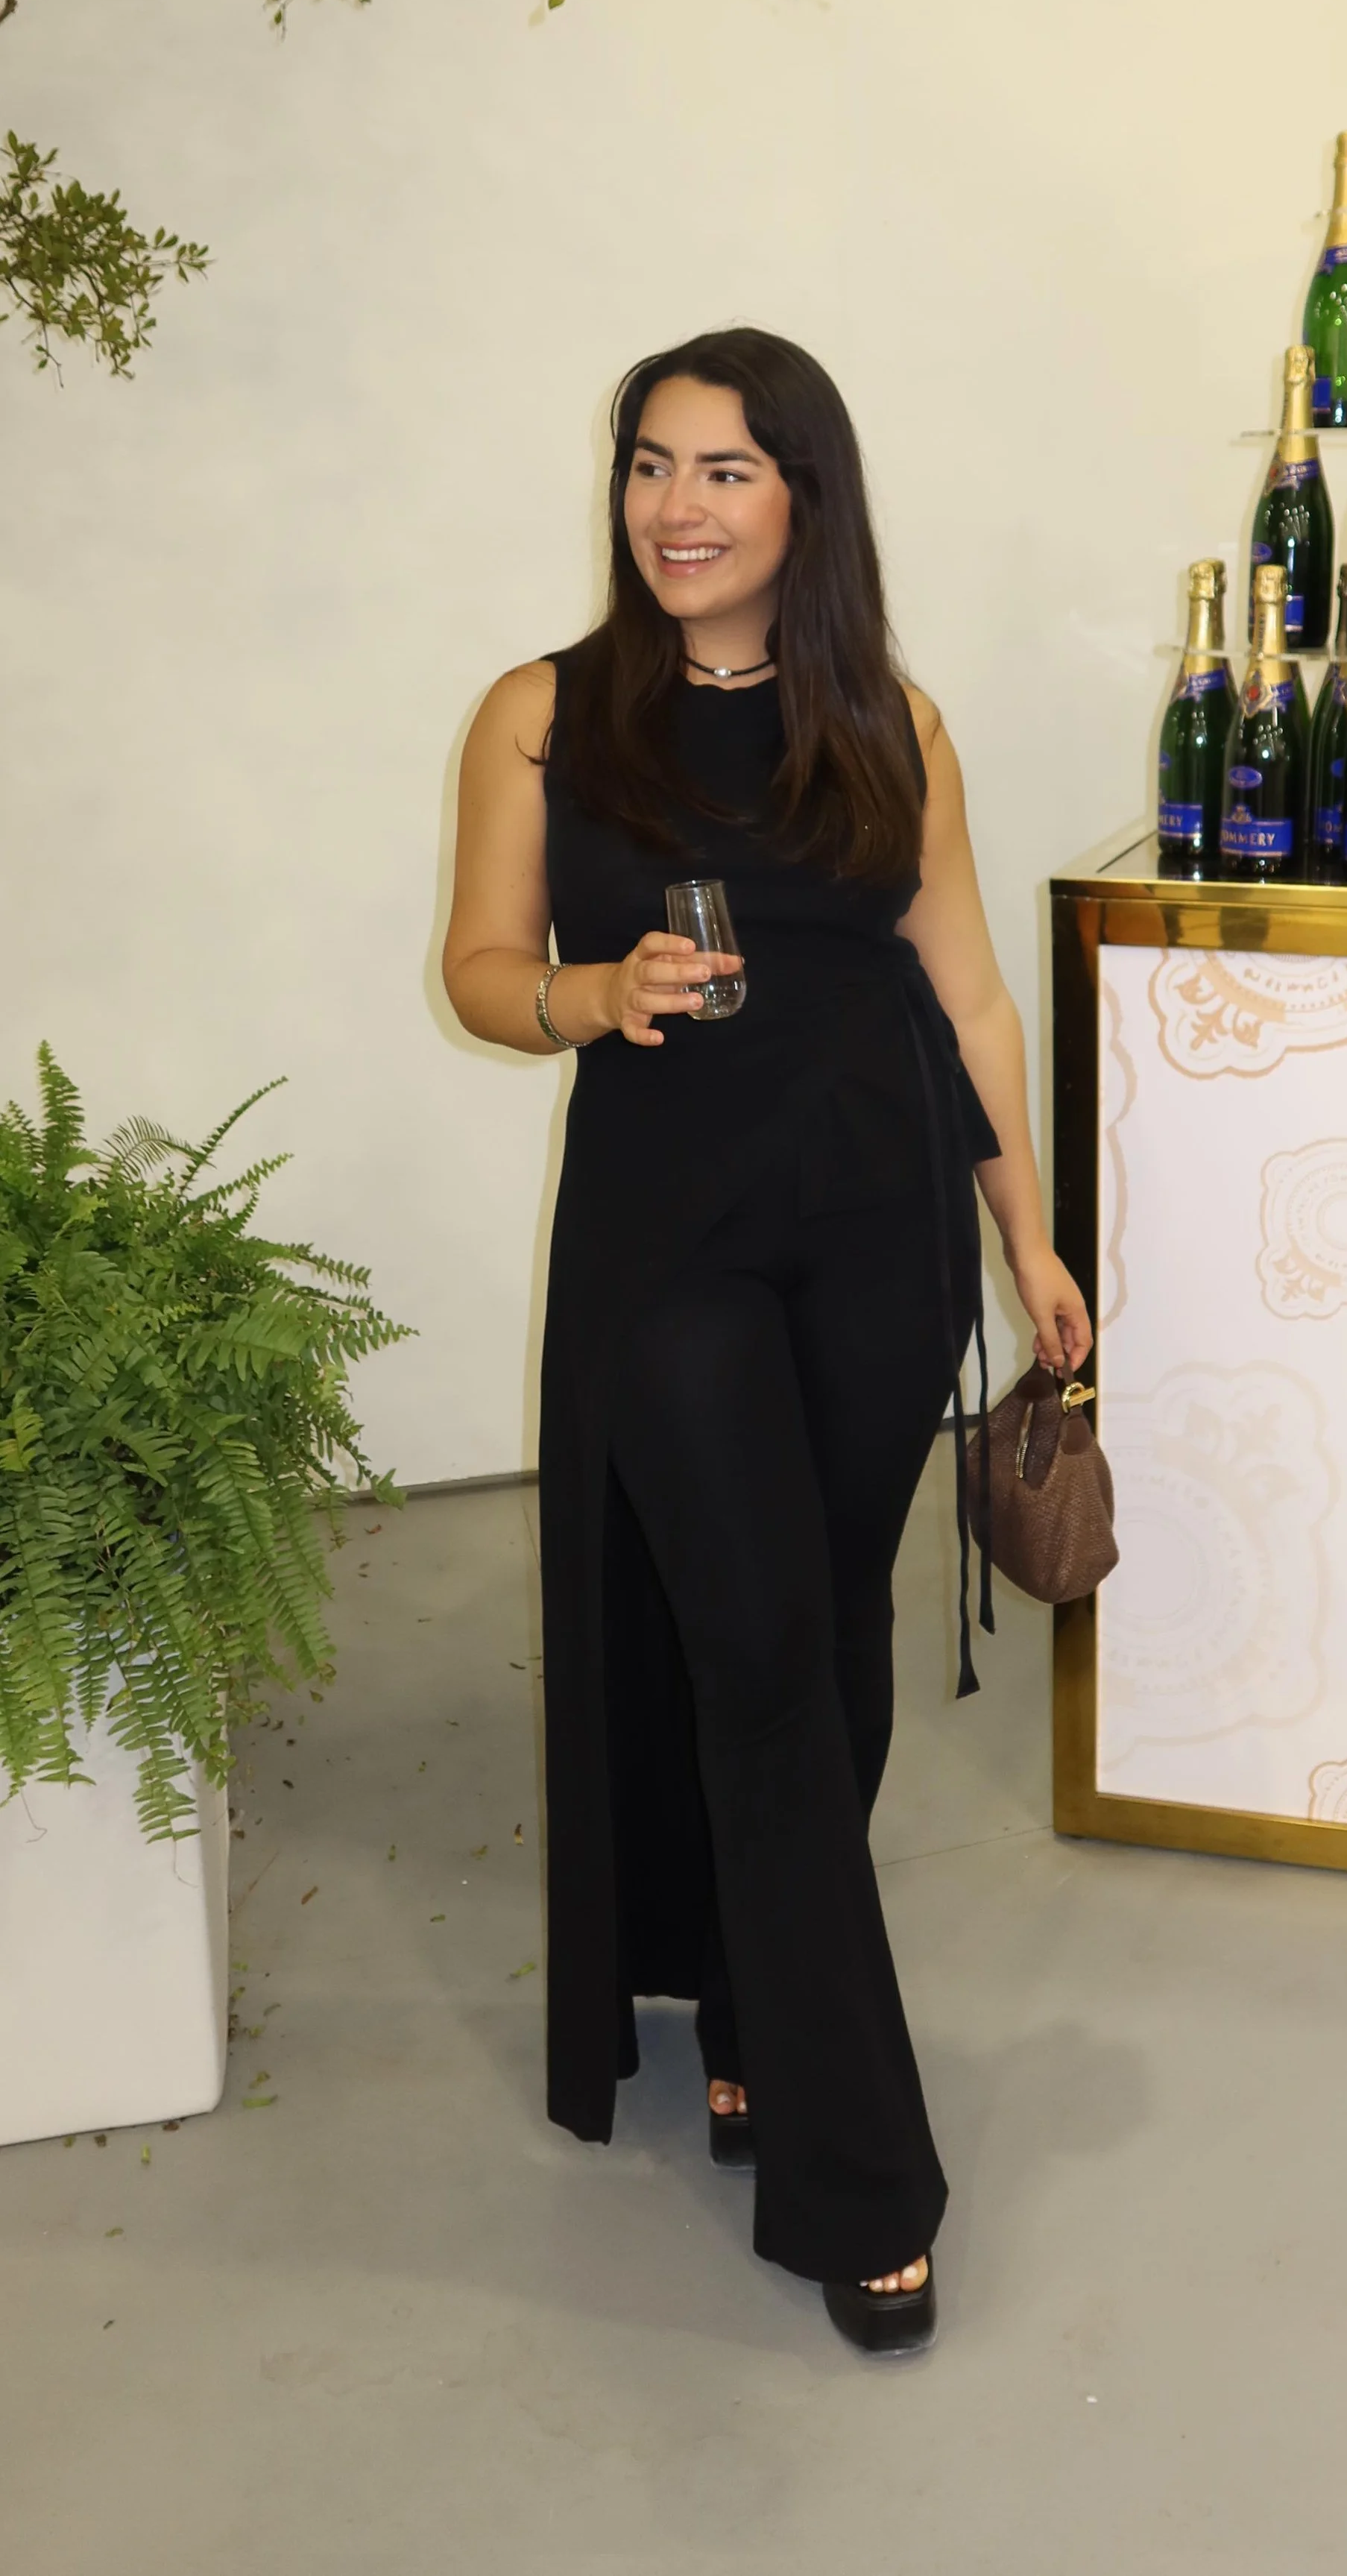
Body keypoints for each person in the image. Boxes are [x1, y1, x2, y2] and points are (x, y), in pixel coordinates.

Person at [441, 325, 1091, 2355]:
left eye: (723, 470)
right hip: (671, 1244)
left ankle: (747, 2004)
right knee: (758, 1658)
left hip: (881, 1225)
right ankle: (859, 2175)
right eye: (649, 465)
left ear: (805, 497)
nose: (676, 506)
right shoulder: (543, 715)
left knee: (826, 1643)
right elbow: (476, 968)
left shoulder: (892, 721)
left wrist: (1026, 1232)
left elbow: (966, 995)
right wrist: (588, 995)